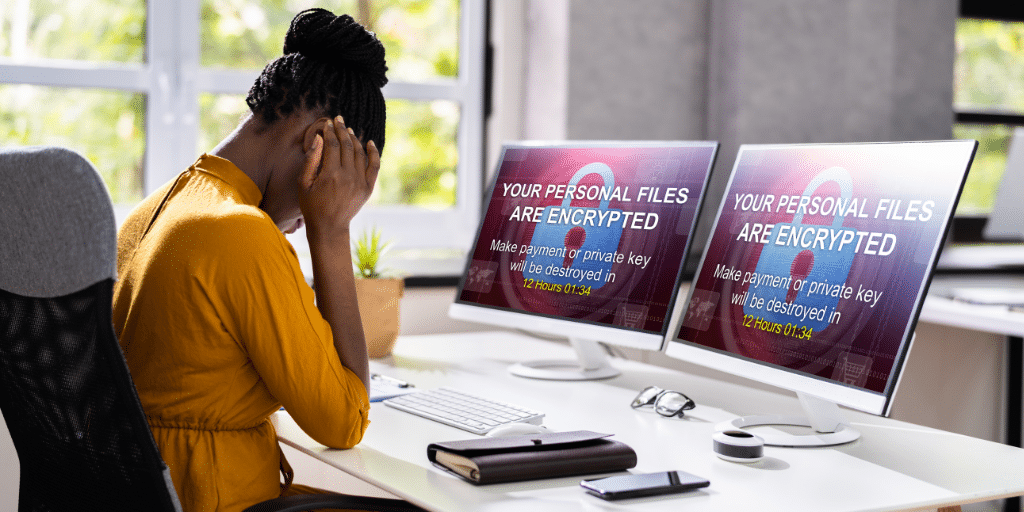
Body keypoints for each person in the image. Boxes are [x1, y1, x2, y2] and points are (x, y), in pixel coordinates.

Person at [112, 8, 387, 512]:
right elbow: (345, 420)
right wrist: (331, 230)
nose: (304, 219)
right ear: (317, 143)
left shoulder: (153, 211)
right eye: (345, 178)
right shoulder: (241, 234)